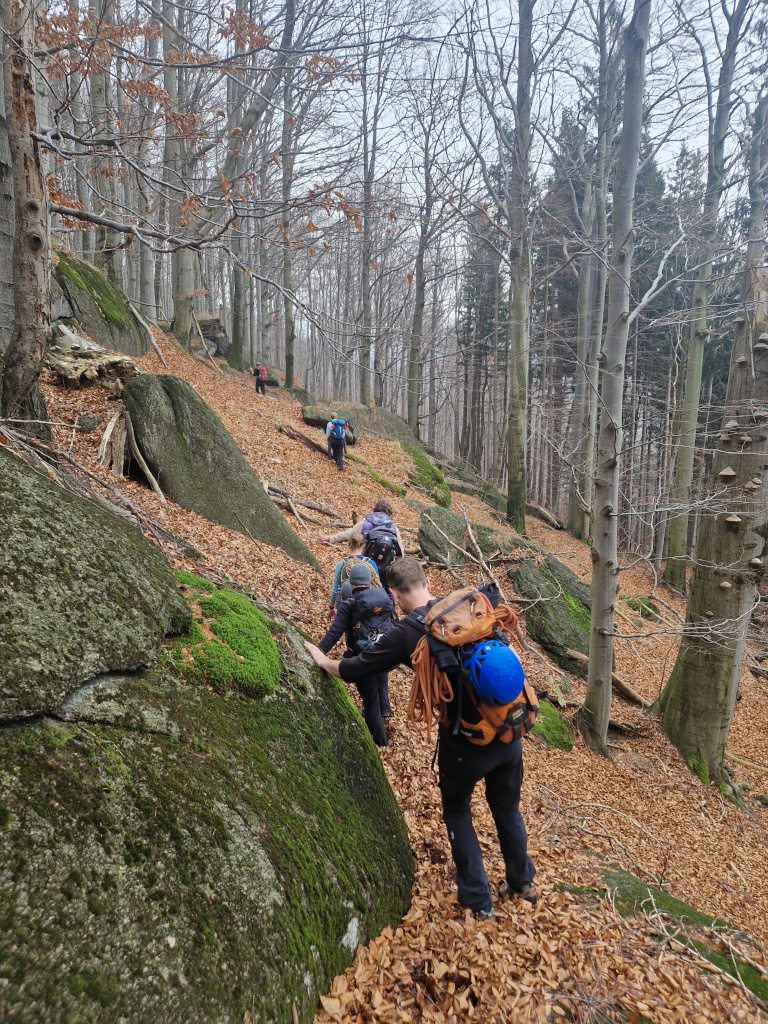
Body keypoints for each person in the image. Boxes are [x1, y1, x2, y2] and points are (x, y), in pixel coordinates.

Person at [305, 556, 537, 919]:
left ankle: (478, 902)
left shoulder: (409, 632)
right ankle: (522, 883)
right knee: (506, 808)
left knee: (458, 811)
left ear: (394, 596)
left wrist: (322, 660)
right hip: (508, 729)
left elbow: (356, 668)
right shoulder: (464, 612)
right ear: (428, 583)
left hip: (465, 743)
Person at [316, 562, 396, 745]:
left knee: (370, 702)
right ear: (369, 581)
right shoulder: (384, 598)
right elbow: (394, 623)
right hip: (384, 651)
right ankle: (385, 708)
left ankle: (381, 741)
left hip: (362, 656)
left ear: (351, 583)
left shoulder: (348, 604)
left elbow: (334, 633)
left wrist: (318, 652)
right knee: (379, 683)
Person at [319, 499, 403, 591]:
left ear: (375, 509)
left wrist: (330, 538)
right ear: (389, 513)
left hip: (365, 562)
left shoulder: (365, 522)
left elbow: (348, 534)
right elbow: (401, 552)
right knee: (385, 590)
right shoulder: (393, 528)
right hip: (385, 565)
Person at [327, 536, 381, 621]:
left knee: (347, 626)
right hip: (366, 604)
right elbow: (377, 585)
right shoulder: (371, 563)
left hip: (345, 604)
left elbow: (335, 587)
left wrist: (331, 607)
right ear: (363, 546)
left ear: (349, 545)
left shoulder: (341, 564)